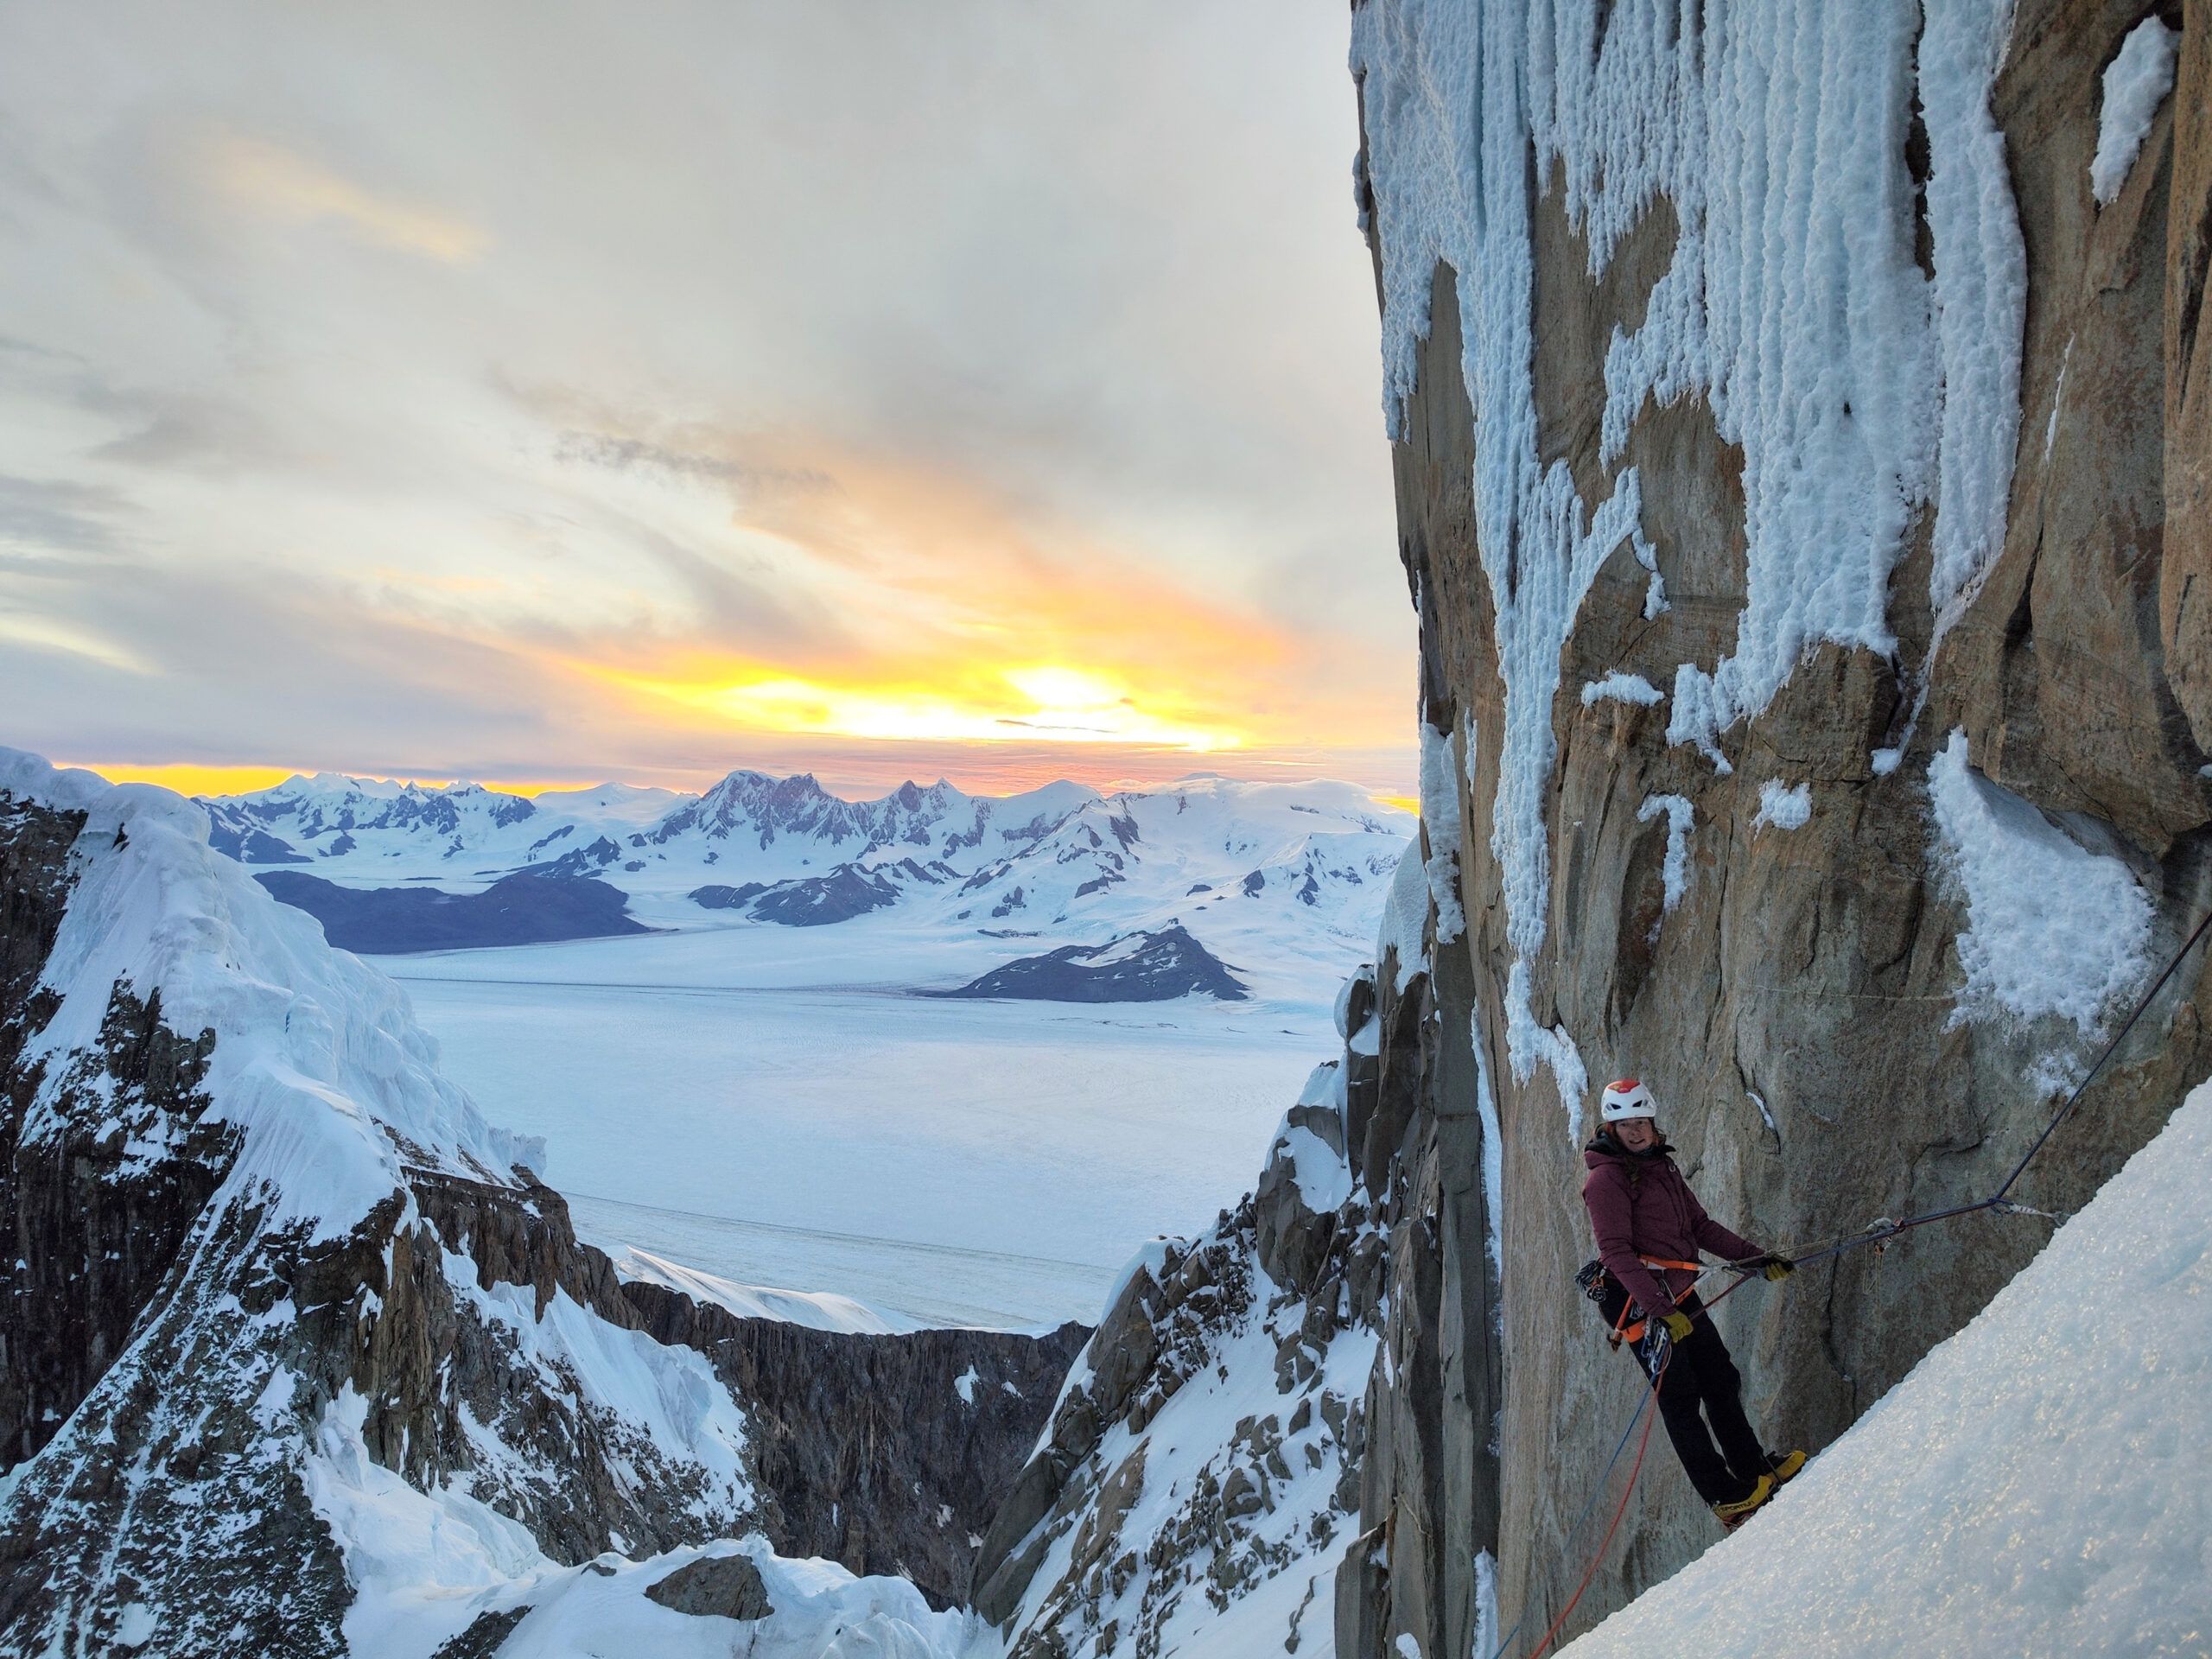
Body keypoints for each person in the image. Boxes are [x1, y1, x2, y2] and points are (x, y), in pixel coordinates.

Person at [1580, 1077, 1807, 1529]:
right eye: (1627, 1124)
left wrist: (1754, 1259)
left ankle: (1754, 1470)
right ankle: (1726, 1499)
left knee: (1720, 1379)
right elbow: (1617, 1254)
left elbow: (1699, 1226)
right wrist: (1661, 1313)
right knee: (1681, 1399)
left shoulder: (1661, 1166)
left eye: (1643, 1121)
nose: (1638, 1131)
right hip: (1642, 1304)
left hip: (1677, 1293)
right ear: (1612, 1125)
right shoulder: (1605, 1179)